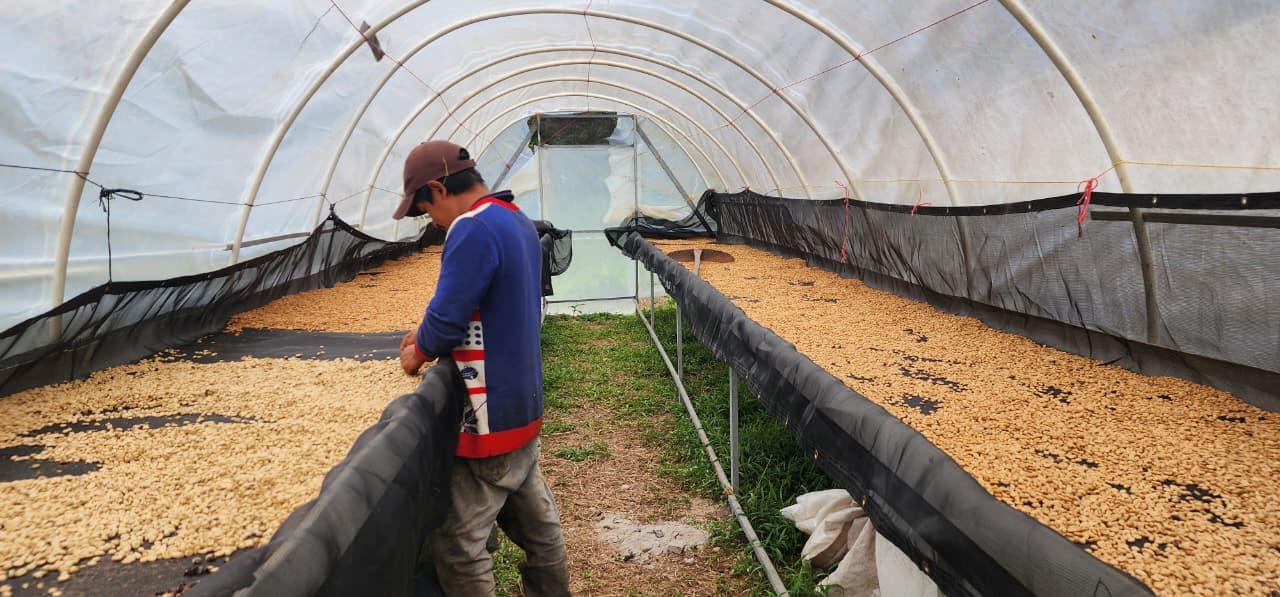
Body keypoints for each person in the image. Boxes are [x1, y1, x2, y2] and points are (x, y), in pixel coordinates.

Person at [394, 140, 570, 596]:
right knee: (539, 529)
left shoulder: (471, 228)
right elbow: (483, 303)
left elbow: (447, 319)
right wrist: (426, 329)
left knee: (460, 544)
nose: (432, 222)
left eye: (425, 209)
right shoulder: (515, 219)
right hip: (522, 404)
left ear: (438, 188)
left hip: (487, 414)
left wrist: (418, 351)